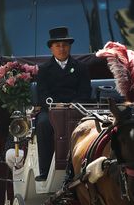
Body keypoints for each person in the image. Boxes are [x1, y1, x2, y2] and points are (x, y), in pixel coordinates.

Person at [35, 26, 92, 181]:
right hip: (52, 109)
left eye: (65, 45)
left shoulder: (81, 67)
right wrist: (55, 105)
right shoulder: (44, 69)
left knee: (91, 125)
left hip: (76, 109)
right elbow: (42, 94)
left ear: (70, 47)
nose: (62, 48)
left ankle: (87, 164)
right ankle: (45, 170)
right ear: (51, 48)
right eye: (58, 45)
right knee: (43, 124)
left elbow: (85, 92)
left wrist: (73, 104)